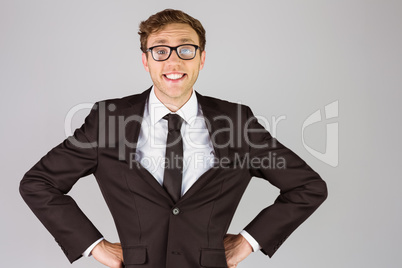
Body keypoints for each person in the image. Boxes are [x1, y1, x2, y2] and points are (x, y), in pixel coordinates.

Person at [20, 9, 327, 268]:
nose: (173, 61)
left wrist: (249, 241)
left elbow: (307, 186)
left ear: (201, 58)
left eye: (186, 49)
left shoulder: (236, 120)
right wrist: (94, 245)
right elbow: (39, 182)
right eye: (160, 50)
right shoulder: (108, 119)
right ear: (146, 60)